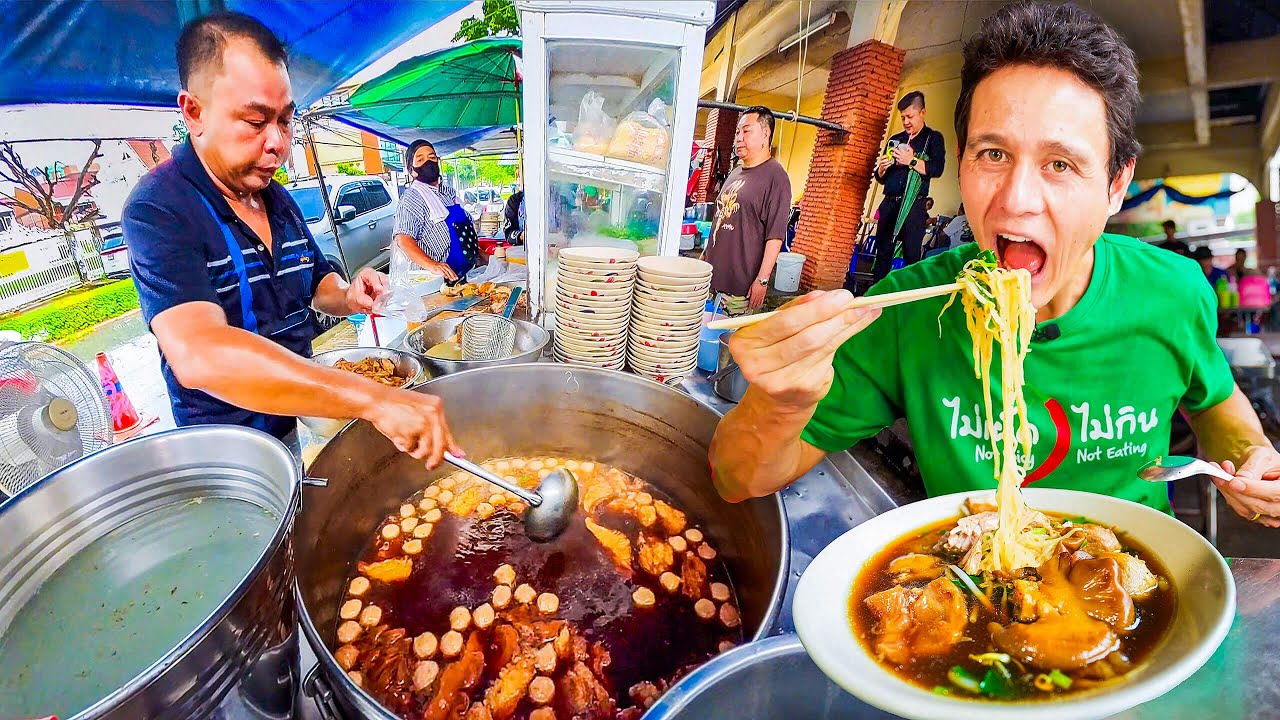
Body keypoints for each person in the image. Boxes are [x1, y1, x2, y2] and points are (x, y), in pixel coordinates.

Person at [709, 1, 1280, 528]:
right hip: (965, 589)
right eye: (993, 154)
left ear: (1115, 185)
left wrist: (1251, 459)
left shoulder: (1171, 291)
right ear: (962, 163)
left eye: (1060, 164)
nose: (1016, 200)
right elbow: (737, 480)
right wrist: (780, 400)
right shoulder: (904, 309)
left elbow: (1217, 405)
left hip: (1134, 585)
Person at [123, 12, 459, 466]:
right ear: (194, 112)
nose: (278, 143)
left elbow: (315, 284)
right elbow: (200, 352)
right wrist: (374, 399)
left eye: (285, 120)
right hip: (224, 458)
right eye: (255, 122)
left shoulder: (276, 198)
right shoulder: (159, 207)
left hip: (294, 429)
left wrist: (348, 293)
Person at [703, 106, 792, 314]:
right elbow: (720, 218)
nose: (738, 138)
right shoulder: (735, 173)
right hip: (713, 282)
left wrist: (762, 280)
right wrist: (705, 255)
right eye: (737, 133)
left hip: (740, 291)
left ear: (765, 134)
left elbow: (775, 236)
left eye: (746, 131)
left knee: (730, 343)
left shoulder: (776, 178)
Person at [871, 91, 946, 281]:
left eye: (910, 117)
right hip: (890, 203)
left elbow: (936, 169)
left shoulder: (932, 139)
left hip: (914, 206)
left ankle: (906, 300)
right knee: (883, 253)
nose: (906, 122)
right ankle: (874, 296)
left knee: (912, 256)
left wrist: (911, 161)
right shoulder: (896, 139)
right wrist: (881, 171)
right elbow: (882, 178)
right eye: (903, 117)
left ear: (922, 113)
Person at [393, 140, 476, 283]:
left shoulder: (448, 194)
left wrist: (482, 257)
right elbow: (403, 239)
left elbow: (462, 235)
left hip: (462, 278)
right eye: (420, 159)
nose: (428, 162)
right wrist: (433, 266)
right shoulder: (412, 197)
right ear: (412, 170)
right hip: (435, 284)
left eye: (432, 157)